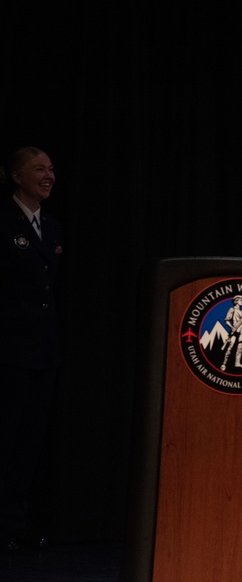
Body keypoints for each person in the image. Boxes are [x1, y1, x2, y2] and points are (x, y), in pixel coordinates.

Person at [0, 147, 63, 551]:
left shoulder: (52, 225)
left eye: (51, 169)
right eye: (38, 168)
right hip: (8, 349)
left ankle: (13, 525)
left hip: (42, 351)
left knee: (29, 443)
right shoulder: (2, 221)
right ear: (15, 176)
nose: (48, 175)